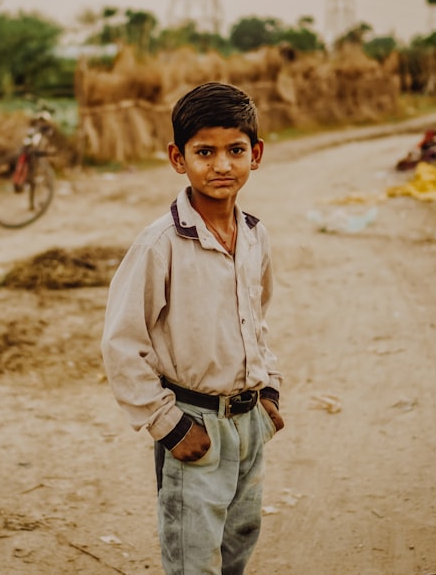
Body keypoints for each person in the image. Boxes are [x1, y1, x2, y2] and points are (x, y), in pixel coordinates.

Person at [101, 81, 284, 574]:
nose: (221, 165)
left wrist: (269, 392)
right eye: (205, 152)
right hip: (193, 425)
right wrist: (168, 425)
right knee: (192, 558)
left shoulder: (253, 235)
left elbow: (256, 317)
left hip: (248, 423)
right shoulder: (159, 245)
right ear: (178, 159)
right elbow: (121, 343)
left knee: (238, 545)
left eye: (235, 150)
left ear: (256, 154)